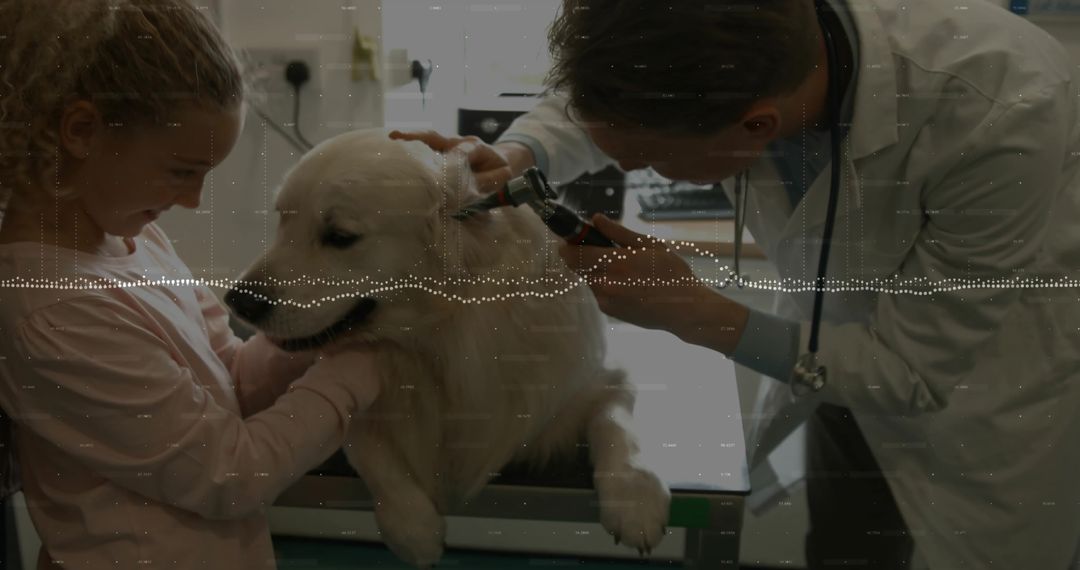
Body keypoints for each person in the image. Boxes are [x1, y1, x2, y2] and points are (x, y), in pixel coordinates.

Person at [392, 0, 1080, 567]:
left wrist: (691, 310)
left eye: (655, 160)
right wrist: (520, 153)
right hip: (835, 349)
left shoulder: (999, 105)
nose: (642, 170)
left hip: (980, 385)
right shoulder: (730, 47)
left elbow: (914, 372)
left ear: (757, 125)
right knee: (846, 550)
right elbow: (603, 111)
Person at [0, 1, 382, 567]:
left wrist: (331, 327)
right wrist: (366, 370)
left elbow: (230, 382)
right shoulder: (52, 308)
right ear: (81, 131)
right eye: (181, 170)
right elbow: (231, 474)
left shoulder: (135, 239)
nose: (192, 200)